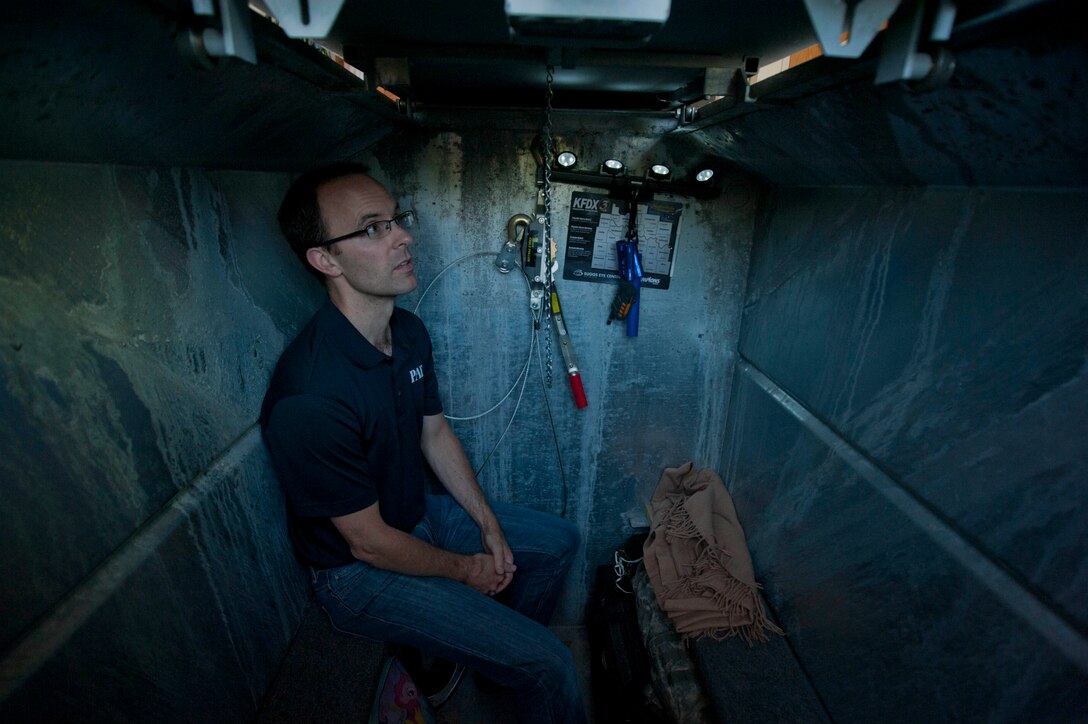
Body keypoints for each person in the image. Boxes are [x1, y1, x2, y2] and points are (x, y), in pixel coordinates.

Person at [259, 162, 587, 724]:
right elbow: (366, 544)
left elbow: (434, 432)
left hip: (416, 515)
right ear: (325, 259)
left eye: (396, 220)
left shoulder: (407, 332)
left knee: (558, 542)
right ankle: (520, 661)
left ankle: (493, 662)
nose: (404, 237)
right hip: (357, 574)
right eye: (372, 229)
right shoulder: (309, 396)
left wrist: (485, 523)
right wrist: (465, 570)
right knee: (552, 663)